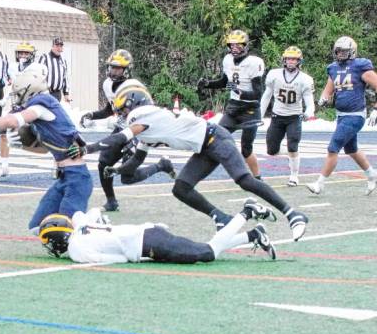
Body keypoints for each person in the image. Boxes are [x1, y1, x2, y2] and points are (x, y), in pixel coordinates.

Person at [67, 81, 309, 241]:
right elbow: (134, 164)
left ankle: (292, 213)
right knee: (181, 187)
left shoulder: (145, 114)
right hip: (204, 146)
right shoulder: (147, 129)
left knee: (244, 179)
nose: (120, 115)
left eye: (122, 110)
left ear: (134, 104)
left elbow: (120, 138)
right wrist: (117, 169)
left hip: (216, 138)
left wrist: (87, 148)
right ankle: (221, 218)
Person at [0, 63, 92, 235]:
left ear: (30, 90)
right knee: (37, 227)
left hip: (77, 177)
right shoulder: (41, 113)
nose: (17, 98)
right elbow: (44, 150)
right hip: (64, 177)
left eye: (19, 94)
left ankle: (95, 224)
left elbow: (13, 121)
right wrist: (20, 145)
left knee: (68, 228)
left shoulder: (41, 105)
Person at [37, 198, 276, 263]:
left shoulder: (77, 250)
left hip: (148, 245)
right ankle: (254, 235)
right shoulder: (80, 224)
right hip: (148, 233)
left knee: (209, 252)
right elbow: (89, 212)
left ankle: (246, 212)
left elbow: (117, 259)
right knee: (206, 250)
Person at [306, 36, 377, 195]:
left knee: (333, 148)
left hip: (355, 115)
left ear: (352, 51)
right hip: (341, 115)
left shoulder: (360, 66)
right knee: (351, 149)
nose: (341, 54)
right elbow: (328, 88)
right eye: (338, 51)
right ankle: (371, 173)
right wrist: (323, 98)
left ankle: (319, 184)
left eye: (344, 51)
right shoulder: (333, 68)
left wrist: (376, 109)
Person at [198, 29, 265, 178]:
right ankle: (201, 173)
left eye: (238, 45)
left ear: (246, 46)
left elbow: (258, 94)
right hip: (233, 108)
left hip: (250, 110)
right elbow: (224, 82)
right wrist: (208, 84)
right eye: (232, 45)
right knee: (215, 138)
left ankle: (257, 178)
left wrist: (241, 92)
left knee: (246, 149)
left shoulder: (254, 63)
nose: (235, 48)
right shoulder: (227, 59)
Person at [79, 49, 139, 211]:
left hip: (137, 130)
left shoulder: (133, 87)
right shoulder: (107, 84)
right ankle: (111, 201)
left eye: (118, 68)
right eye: (112, 67)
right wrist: (92, 114)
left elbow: (145, 117)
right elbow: (109, 110)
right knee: (104, 163)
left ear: (127, 69)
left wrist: (134, 140)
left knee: (128, 176)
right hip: (121, 128)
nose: (113, 71)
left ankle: (162, 165)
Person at [260, 46, 315, 187]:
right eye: (289, 58)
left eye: (294, 59)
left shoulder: (305, 79)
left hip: (294, 117)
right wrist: (259, 114)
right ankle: (292, 155)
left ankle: (294, 175)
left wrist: (309, 112)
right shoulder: (274, 74)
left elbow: (309, 101)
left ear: (299, 61)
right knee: (271, 150)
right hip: (277, 116)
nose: (291, 61)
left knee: (293, 144)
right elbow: (267, 96)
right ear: (284, 60)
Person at [0, 42, 37, 179]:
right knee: (3, 130)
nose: (23, 56)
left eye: (26, 53)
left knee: (49, 133)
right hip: (19, 105)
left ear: (31, 55)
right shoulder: (13, 67)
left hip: (35, 104)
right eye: (21, 53)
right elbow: (13, 85)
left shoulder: (37, 68)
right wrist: (6, 98)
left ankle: (57, 163)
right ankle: (4, 165)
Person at [39, 37, 71, 103]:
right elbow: (38, 74)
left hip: (57, 94)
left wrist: (66, 94)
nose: (59, 48)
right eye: (57, 46)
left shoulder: (63, 60)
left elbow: (65, 78)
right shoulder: (45, 57)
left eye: (61, 46)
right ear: (52, 46)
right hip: (46, 93)